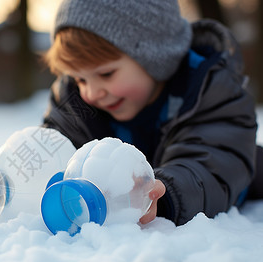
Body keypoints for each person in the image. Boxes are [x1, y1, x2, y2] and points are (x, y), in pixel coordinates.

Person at [42, 0, 262, 226]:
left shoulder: (209, 90)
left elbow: (209, 163)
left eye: (106, 74)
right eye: (80, 78)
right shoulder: (77, 102)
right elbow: (53, 146)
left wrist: (166, 191)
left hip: (229, 174)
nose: (91, 92)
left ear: (155, 56)